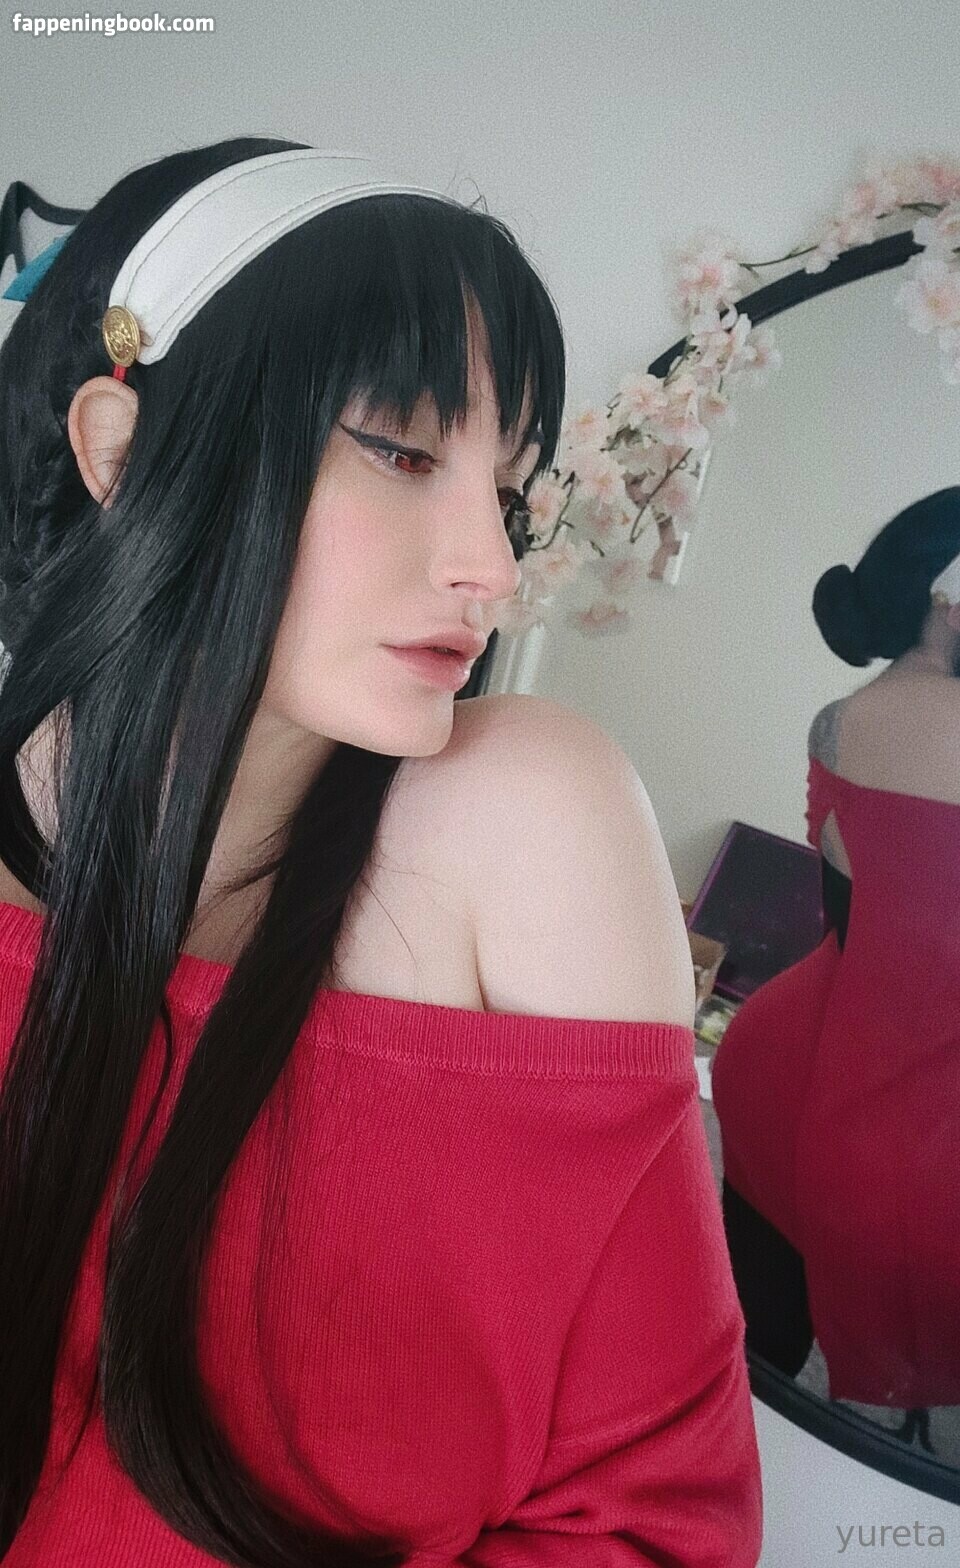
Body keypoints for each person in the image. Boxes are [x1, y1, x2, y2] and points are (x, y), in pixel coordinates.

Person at [0, 139, 761, 1566]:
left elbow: (654, 1517)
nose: (494, 566)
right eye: (404, 452)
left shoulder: (525, 822)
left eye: (511, 492)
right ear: (120, 447)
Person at [712, 488, 960, 1430]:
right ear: (951, 601)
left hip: (782, 1067)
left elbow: (859, 911)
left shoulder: (842, 718)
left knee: (749, 1360)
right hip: (915, 1116)